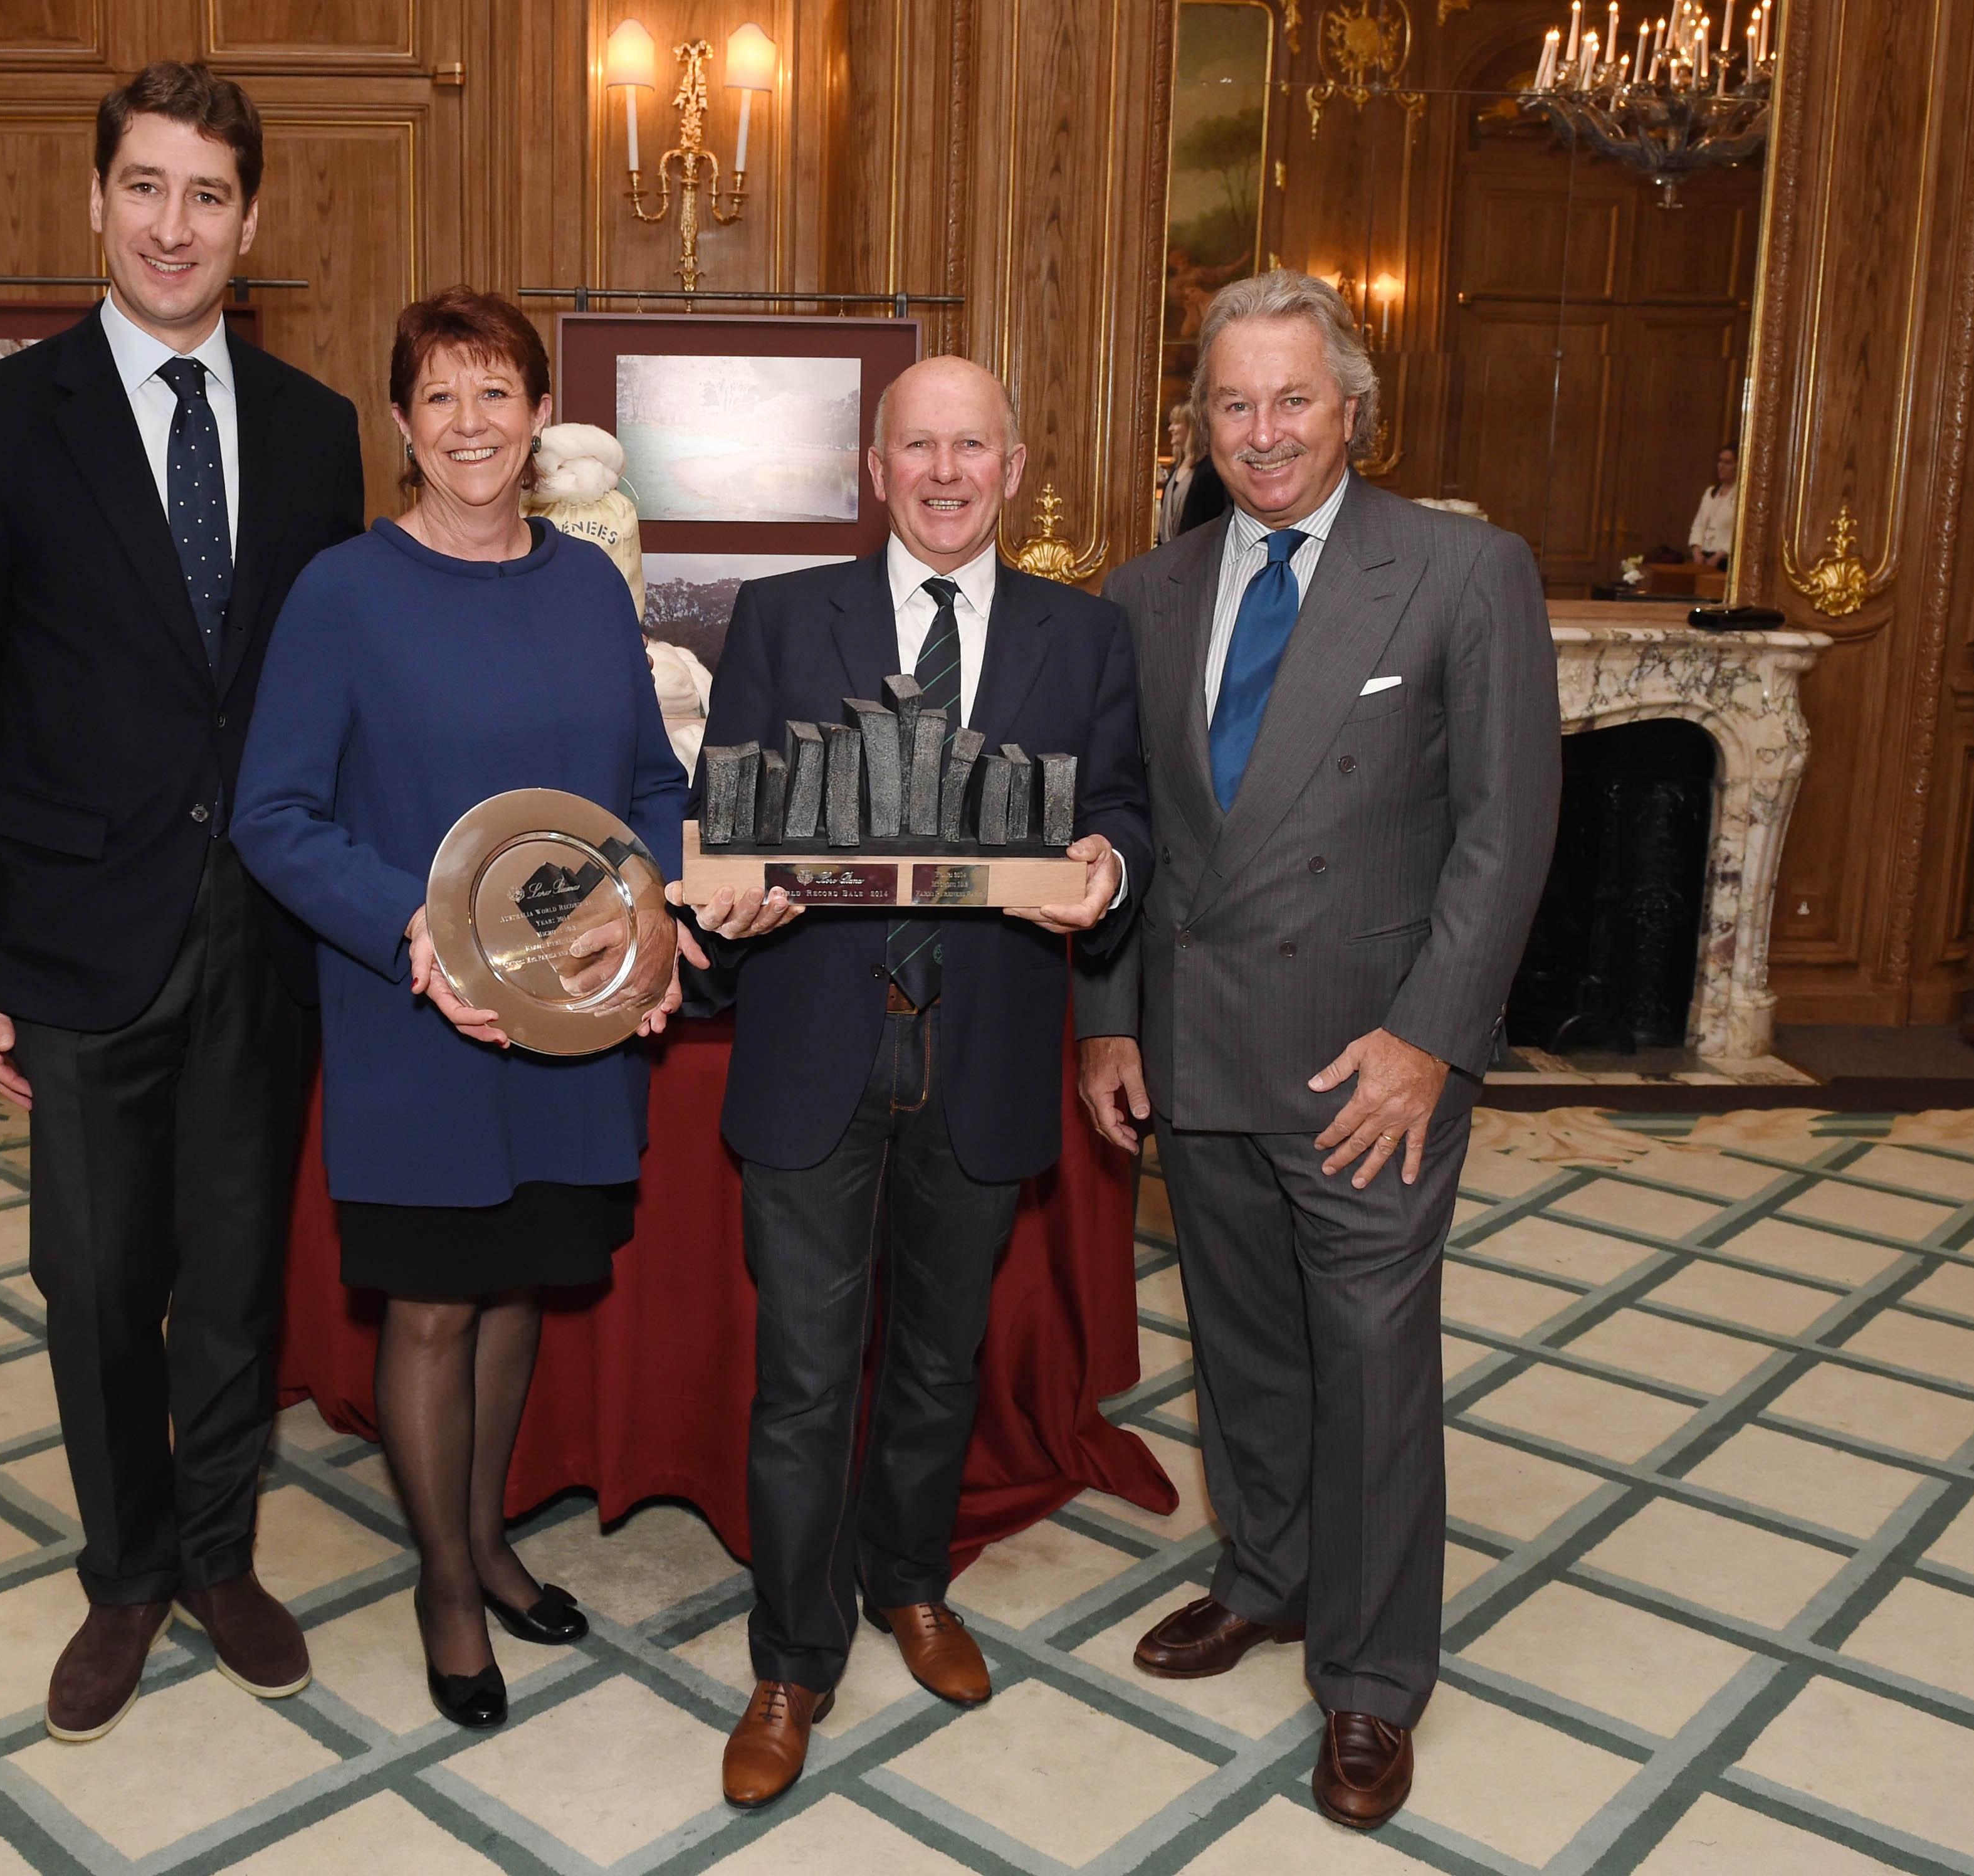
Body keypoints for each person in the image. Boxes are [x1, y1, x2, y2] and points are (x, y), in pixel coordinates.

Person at [0, 61, 364, 1744]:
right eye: (146, 187)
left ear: (255, 220)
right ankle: (127, 1568)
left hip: (268, 928)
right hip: (75, 929)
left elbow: (330, 694)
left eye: (209, 195)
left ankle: (224, 1550)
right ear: (95, 202)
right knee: (95, 1276)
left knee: (236, 1269)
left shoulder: (315, 434)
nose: (176, 225)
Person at [1074, 268, 1559, 1831]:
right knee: (1247, 1352)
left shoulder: (1461, 570)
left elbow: (1506, 834)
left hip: (1371, 1065)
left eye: (1293, 397)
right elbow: (1127, 829)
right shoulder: (1153, 592)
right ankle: (1266, 1576)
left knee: (1367, 1365)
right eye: (1233, 401)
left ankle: (1368, 1676)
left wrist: (1430, 1039)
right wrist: (1103, 1022)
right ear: (1197, 420)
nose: (1263, 430)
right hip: (1197, 1055)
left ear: (1353, 404)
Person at [231, 289, 696, 1732]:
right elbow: (277, 815)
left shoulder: (582, 587)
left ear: (540, 416)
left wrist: (658, 911)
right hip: (418, 1015)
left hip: (567, 1014)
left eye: (497, 395)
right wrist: (421, 940)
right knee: (433, 1301)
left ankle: (488, 1534)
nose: (472, 425)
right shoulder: (343, 592)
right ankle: (444, 1581)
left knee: (515, 1284)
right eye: (440, 398)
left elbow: (651, 788)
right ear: (401, 428)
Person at [691, 356, 1152, 1809]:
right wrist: (734, 892)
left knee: (941, 1361)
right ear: (872, 469)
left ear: (1014, 469)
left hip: (989, 1055)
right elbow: (731, 806)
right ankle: (790, 1655)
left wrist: (1109, 862)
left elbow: (1124, 802)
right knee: (807, 1378)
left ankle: (910, 1581)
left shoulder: (1086, 635)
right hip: (814, 1046)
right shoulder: (777, 619)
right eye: (918, 447)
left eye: (974, 446)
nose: (946, 471)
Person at [1158, 398, 1231, 544]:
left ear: (1191, 427)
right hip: (1168, 554)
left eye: (1177, 423)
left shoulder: (1210, 470)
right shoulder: (1176, 467)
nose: (1170, 428)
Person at [1688, 442, 1737, 568]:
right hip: (1704, 557)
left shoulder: (1742, 496)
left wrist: (1719, 556)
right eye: (1720, 461)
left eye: (1728, 463)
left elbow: (1740, 532)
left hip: (1725, 560)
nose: (1721, 466)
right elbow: (1698, 524)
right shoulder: (1710, 492)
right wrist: (1697, 552)